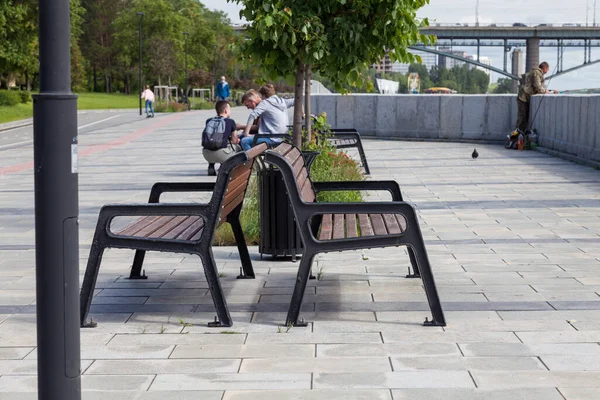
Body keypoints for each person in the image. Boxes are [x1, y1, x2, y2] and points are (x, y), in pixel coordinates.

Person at [239, 86, 294, 151]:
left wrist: (246, 133)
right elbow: (296, 100)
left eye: (247, 105)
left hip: (272, 138)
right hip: (281, 136)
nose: (260, 98)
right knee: (241, 137)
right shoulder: (282, 101)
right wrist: (302, 114)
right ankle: (252, 157)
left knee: (244, 141)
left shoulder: (265, 103)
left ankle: (250, 160)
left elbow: (252, 116)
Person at [202, 100, 244, 176]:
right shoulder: (230, 121)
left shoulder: (208, 121)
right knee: (237, 147)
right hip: (222, 155)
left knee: (213, 143)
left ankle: (211, 166)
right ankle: (225, 167)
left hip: (206, 154)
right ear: (225, 110)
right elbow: (234, 141)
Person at [516, 61, 557, 133]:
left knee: (524, 119)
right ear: (544, 68)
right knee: (522, 119)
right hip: (523, 98)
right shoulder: (536, 73)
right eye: (547, 69)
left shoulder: (537, 73)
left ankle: (520, 136)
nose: (547, 71)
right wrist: (547, 92)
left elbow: (539, 88)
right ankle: (516, 137)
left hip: (525, 98)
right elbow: (538, 87)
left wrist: (550, 91)